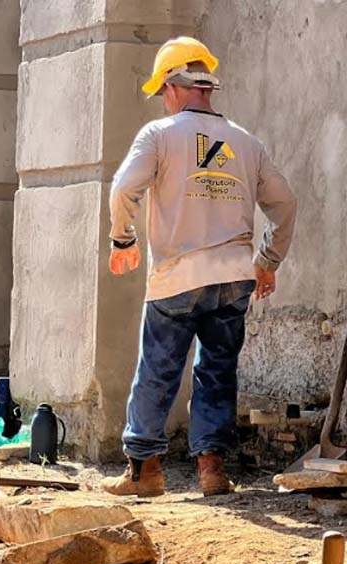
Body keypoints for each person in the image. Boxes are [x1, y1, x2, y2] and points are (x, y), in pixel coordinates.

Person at [101, 37, 297, 497]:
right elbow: (286, 204)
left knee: (158, 370)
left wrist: (122, 237)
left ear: (173, 85)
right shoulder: (247, 143)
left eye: (162, 91)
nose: (163, 101)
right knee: (218, 370)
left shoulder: (159, 136)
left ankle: (145, 472)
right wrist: (267, 262)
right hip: (234, 276)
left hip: (177, 277)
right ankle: (212, 471)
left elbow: (124, 188)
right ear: (206, 86)